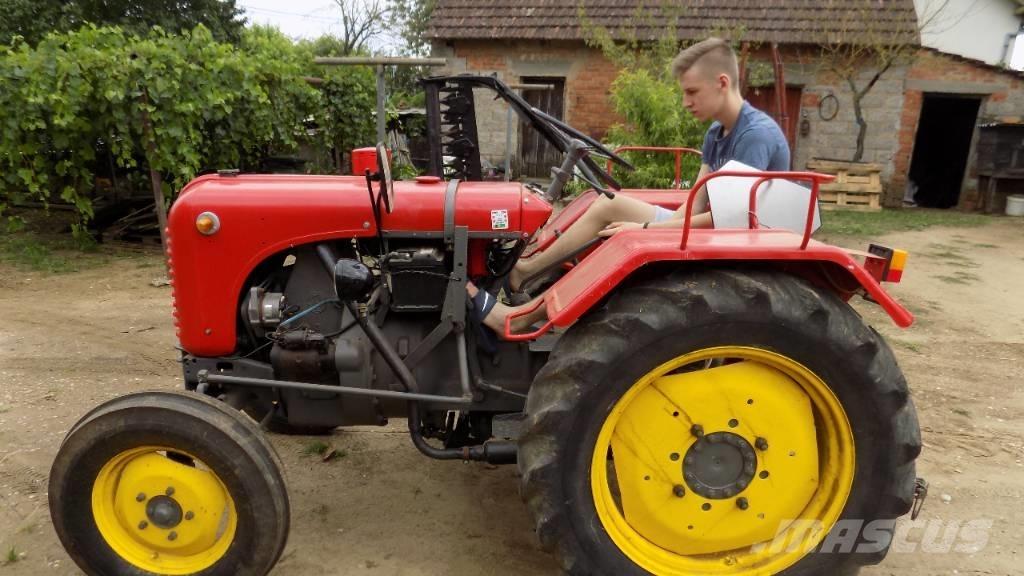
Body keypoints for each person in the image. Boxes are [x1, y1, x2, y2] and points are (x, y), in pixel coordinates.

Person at [472, 37, 791, 337]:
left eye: (692, 92)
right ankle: (526, 271)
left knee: (623, 241)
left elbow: (732, 220)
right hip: (715, 229)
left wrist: (646, 230)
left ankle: (520, 318)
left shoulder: (754, 136)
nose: (685, 102)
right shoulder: (715, 133)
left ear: (722, 83)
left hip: (739, 241)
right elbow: (697, 200)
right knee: (609, 203)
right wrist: (658, 228)